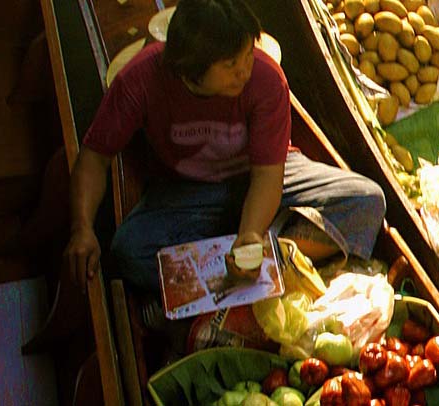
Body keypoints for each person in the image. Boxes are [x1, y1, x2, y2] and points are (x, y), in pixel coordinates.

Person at [64, 0, 386, 295]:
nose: (244, 70)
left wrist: (250, 235)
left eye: (248, 54)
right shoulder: (140, 79)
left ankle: (244, 260)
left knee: (366, 201)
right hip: (190, 191)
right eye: (231, 64)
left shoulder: (265, 78)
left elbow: (266, 177)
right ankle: (257, 261)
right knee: (129, 252)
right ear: (190, 67)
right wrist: (82, 228)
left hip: (268, 177)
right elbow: (94, 157)